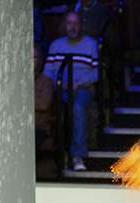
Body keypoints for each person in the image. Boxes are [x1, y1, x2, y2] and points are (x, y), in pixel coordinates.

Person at [44, 11, 99, 171]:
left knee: (77, 107)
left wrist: (78, 83)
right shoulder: (56, 45)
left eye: (75, 23)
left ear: (81, 25)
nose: (72, 26)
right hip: (59, 89)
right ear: (64, 25)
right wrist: (57, 84)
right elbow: (48, 70)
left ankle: (77, 155)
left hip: (82, 89)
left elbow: (96, 73)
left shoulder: (90, 44)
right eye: (69, 23)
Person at [34, 43, 54, 154]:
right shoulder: (16, 80)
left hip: (38, 127)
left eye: (35, 57)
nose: (32, 60)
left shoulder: (46, 81)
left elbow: (44, 104)